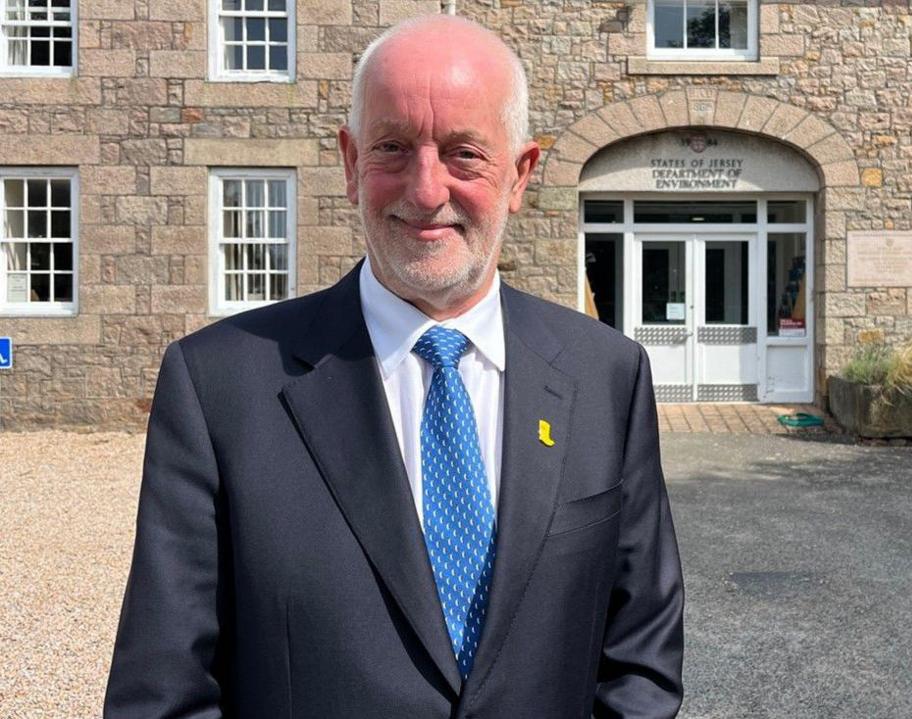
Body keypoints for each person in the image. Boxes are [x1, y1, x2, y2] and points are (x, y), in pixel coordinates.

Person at [104, 15, 684, 718]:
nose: (426, 188)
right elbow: (163, 694)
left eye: (465, 154)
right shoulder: (218, 387)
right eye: (393, 148)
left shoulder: (607, 377)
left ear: (520, 174)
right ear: (350, 163)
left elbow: (640, 661)